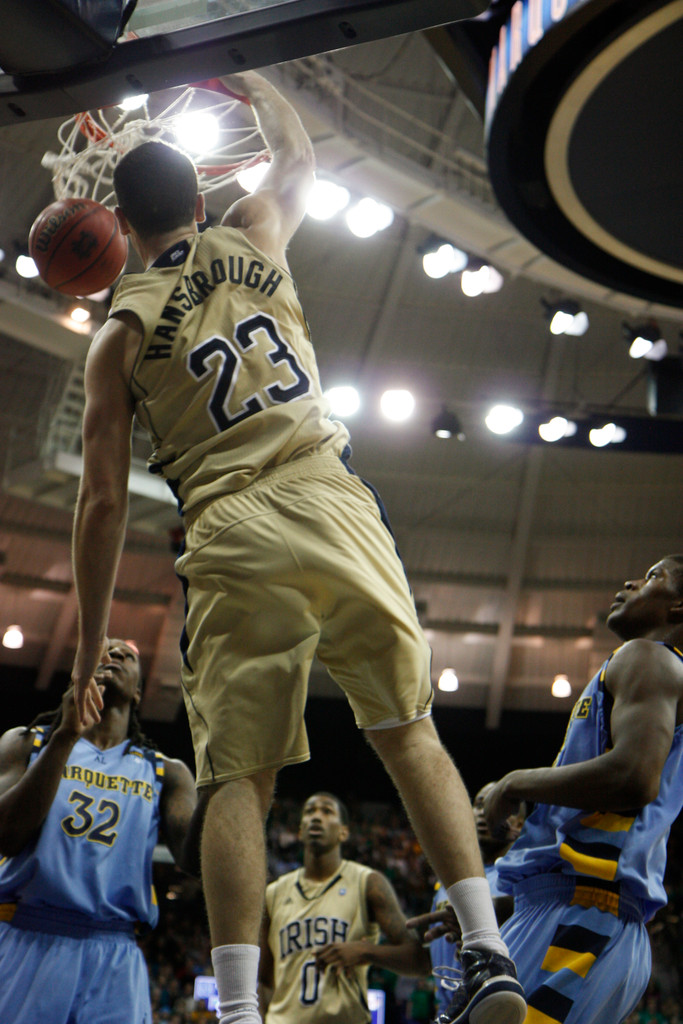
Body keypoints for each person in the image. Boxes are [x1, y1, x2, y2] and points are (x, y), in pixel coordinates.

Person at [69, 69, 526, 1024]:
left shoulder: (114, 336)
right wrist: (251, 76)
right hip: (329, 492)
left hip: (230, 523)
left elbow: (105, 501)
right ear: (196, 199)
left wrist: (87, 649)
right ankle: (484, 952)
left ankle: (239, 1011)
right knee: (407, 732)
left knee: (242, 778)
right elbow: (300, 153)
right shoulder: (253, 232)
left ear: (119, 227)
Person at [411, 555, 683, 1024]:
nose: (631, 580)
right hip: (567, 908)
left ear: (678, 608)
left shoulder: (649, 658)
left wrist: (516, 782)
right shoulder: (646, 670)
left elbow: (634, 779)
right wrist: (511, 906)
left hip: (585, 915)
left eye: (653, 576)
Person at [0, 638, 197, 1024]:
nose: (115, 655)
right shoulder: (28, 742)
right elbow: (4, 835)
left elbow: (197, 860)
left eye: (127, 654)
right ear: (77, 674)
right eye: (103, 651)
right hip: (28, 935)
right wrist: (64, 738)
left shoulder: (166, 771)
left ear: (139, 692)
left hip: (116, 951)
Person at [259, 791, 430, 1023]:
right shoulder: (273, 893)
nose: (316, 817)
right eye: (309, 812)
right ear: (299, 831)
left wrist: (365, 951)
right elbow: (263, 981)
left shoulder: (368, 882)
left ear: (344, 832)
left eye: (327, 811)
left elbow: (420, 961)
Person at [408, 783, 525, 1018]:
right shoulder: (448, 882)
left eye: (497, 804)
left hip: (499, 1009)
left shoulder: (524, 873)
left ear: (519, 824)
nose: (484, 812)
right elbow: (426, 961)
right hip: (448, 1010)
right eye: (479, 804)